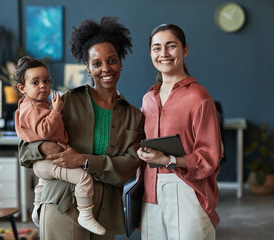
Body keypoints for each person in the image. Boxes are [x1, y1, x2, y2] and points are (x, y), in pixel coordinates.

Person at [17, 17, 144, 240]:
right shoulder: (66, 102)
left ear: (121, 62)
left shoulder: (134, 116)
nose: (106, 69)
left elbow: (130, 166)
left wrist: (84, 161)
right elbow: (25, 150)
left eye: (112, 60)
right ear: (88, 67)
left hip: (105, 213)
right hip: (62, 205)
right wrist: (45, 148)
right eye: (97, 63)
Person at [137, 24, 223, 240]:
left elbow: (210, 156)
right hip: (151, 189)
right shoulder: (148, 99)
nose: (163, 54)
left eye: (171, 46)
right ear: (150, 53)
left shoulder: (198, 96)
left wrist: (169, 159)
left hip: (187, 187)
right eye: (156, 48)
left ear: (185, 50)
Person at [13, 56, 106, 235]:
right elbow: (45, 131)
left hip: (43, 164)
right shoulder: (33, 108)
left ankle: (36, 206)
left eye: (46, 81)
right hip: (48, 161)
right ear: (22, 88)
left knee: (43, 181)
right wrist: (56, 111)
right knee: (83, 178)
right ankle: (85, 214)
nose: (43, 86)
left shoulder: (35, 104)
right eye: (35, 82)